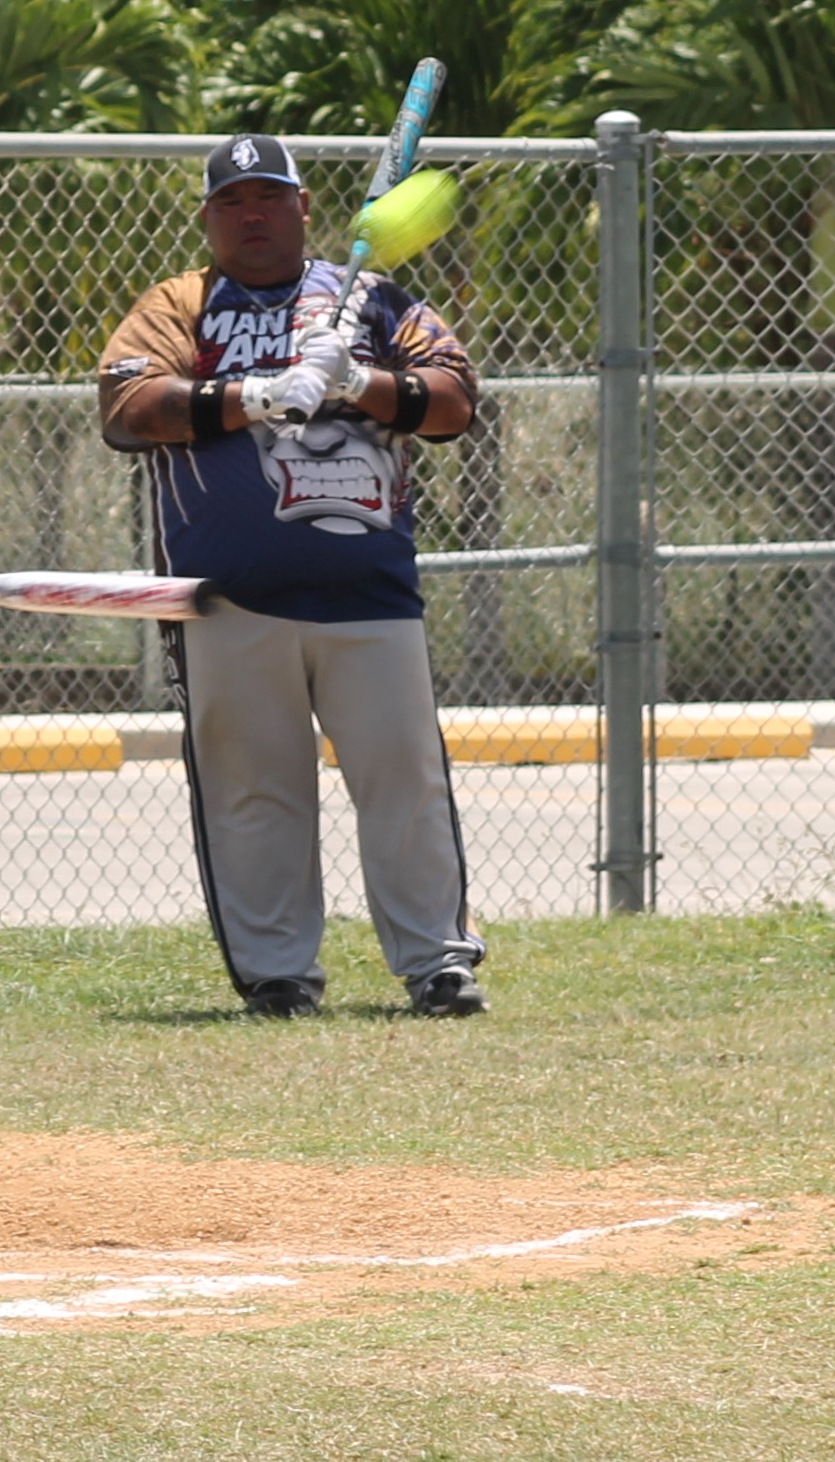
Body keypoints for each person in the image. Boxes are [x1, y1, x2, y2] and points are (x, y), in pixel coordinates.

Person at [96, 133, 486, 1018]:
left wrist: (359, 380)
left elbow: (455, 400)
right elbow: (126, 407)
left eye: (268, 197)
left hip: (370, 597)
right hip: (227, 599)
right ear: (207, 218)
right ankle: (277, 975)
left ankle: (437, 964)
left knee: (404, 781)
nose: (252, 214)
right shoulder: (178, 305)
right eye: (231, 202)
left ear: (304, 207)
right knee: (251, 791)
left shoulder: (376, 301)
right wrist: (256, 395)